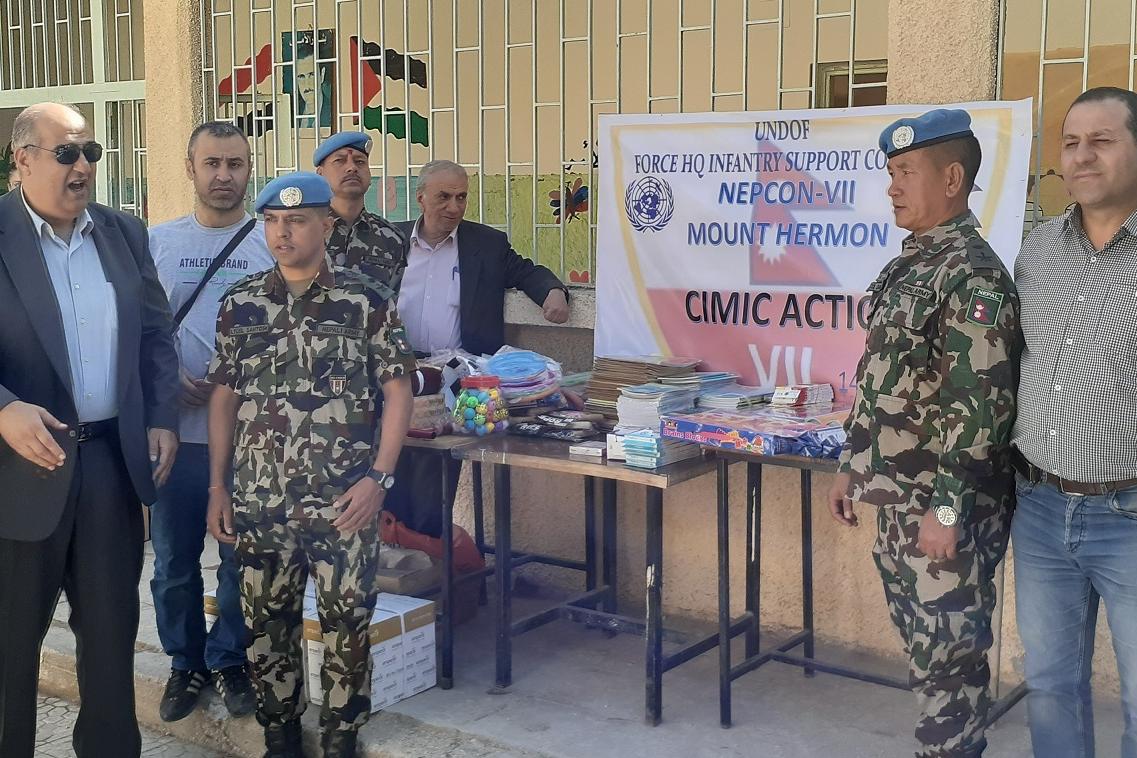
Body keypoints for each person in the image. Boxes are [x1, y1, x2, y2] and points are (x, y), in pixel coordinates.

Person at [826, 109, 1021, 758]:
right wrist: (850, 463)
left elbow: (981, 409)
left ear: (952, 179)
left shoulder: (972, 276)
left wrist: (946, 511)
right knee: (924, 652)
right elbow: (880, 377)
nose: (892, 186)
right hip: (898, 501)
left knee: (949, 662)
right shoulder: (911, 265)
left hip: (944, 511)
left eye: (906, 171)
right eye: (891, 172)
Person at [205, 172, 415, 758]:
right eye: (272, 221)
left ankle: (341, 734)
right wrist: (218, 486)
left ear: (325, 224)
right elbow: (224, 396)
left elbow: (398, 389)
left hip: (344, 502)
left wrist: (379, 478)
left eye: (296, 221)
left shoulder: (366, 300)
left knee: (348, 624)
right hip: (261, 501)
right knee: (266, 624)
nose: (282, 233)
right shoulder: (241, 303)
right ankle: (280, 733)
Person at [0, 102, 180, 757]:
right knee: (10, 646)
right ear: (22, 159)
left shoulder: (123, 233)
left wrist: (160, 416)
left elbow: (156, 334)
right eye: (66, 153)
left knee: (109, 639)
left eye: (90, 153)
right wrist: (3, 408)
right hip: (19, 471)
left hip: (108, 466)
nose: (82, 167)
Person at [1011, 86, 1137, 758]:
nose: (1081, 156)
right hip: (1038, 509)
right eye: (1070, 142)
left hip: (1129, 516)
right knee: (1050, 688)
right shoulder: (1037, 251)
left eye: (1102, 140)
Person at [148, 121, 272, 722]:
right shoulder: (156, 244)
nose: (224, 176)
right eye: (212, 164)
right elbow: (139, 332)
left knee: (239, 561)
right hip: (175, 440)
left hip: (248, 442)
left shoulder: (270, 242)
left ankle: (229, 660)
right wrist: (166, 379)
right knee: (173, 563)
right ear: (190, 169)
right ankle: (184, 664)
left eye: (235, 164)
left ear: (248, 169)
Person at [384, 159, 570, 538]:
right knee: (391, 467)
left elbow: (526, 271)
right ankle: (393, 550)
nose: (453, 207)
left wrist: (553, 292)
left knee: (437, 475)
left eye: (461, 197)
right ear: (421, 198)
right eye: (443, 197)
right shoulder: (389, 241)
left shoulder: (485, 244)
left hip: (456, 380)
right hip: (398, 372)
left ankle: (430, 554)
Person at [314, 131, 408, 291]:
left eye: (360, 162)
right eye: (340, 161)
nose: (352, 168)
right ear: (320, 174)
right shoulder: (304, 232)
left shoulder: (391, 238)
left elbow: (396, 298)